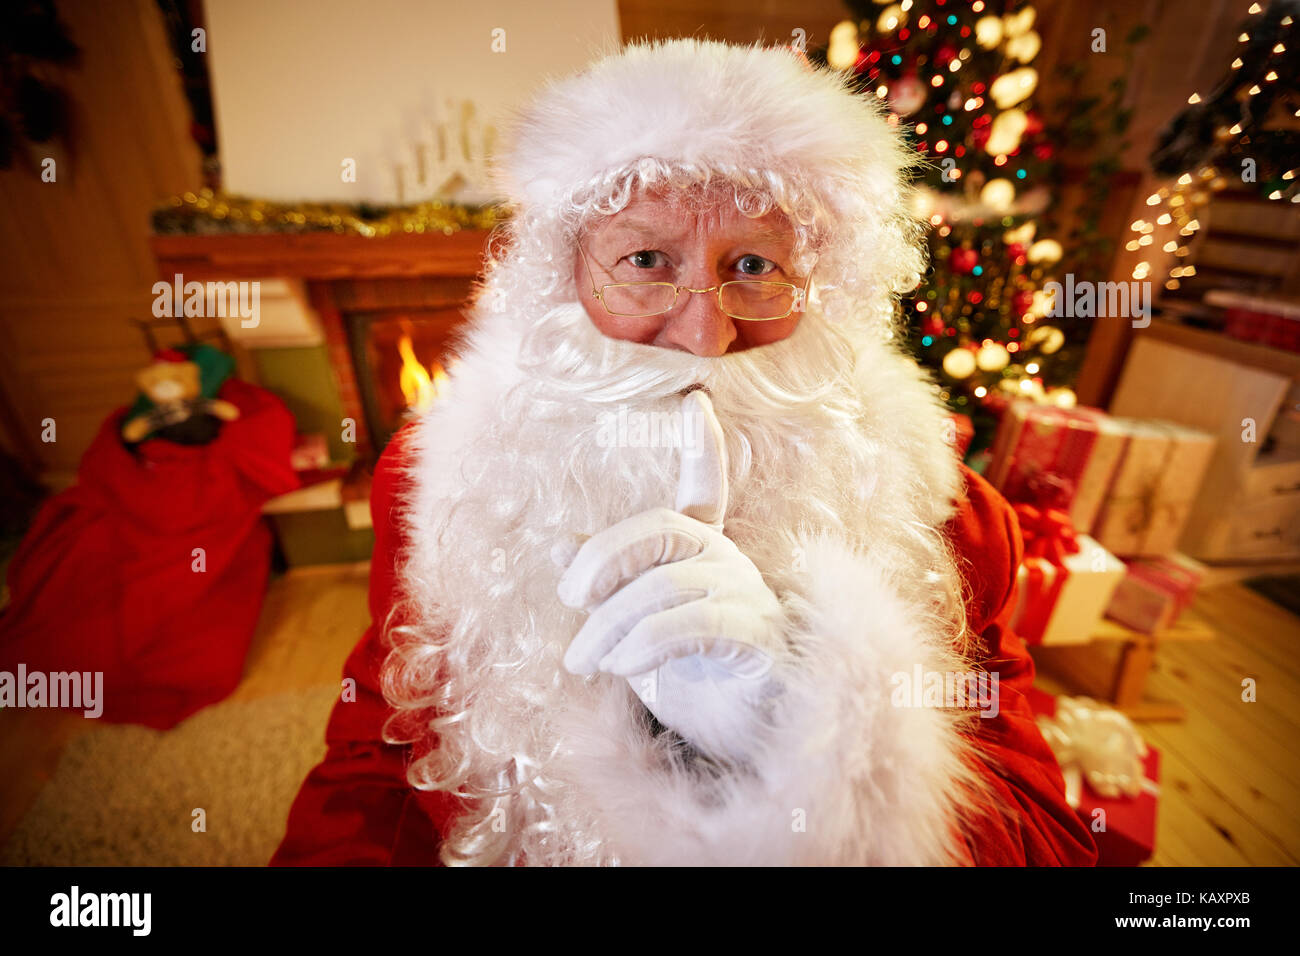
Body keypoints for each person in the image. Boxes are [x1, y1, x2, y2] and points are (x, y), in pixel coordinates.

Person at [272, 38, 1097, 866]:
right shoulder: (446, 474)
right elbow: (378, 753)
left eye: (754, 264)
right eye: (644, 259)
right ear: (567, 276)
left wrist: (806, 733)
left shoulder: (946, 509)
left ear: (826, 285)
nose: (705, 334)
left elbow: (1046, 838)